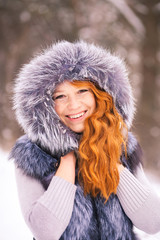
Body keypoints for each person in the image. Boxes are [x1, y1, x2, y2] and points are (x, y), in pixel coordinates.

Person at [9, 41, 160, 240]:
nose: (73, 105)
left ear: (101, 95)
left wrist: (108, 157)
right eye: (60, 96)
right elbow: (45, 232)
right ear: (44, 106)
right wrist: (67, 160)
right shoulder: (31, 155)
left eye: (82, 91)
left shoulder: (123, 145)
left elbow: (153, 222)